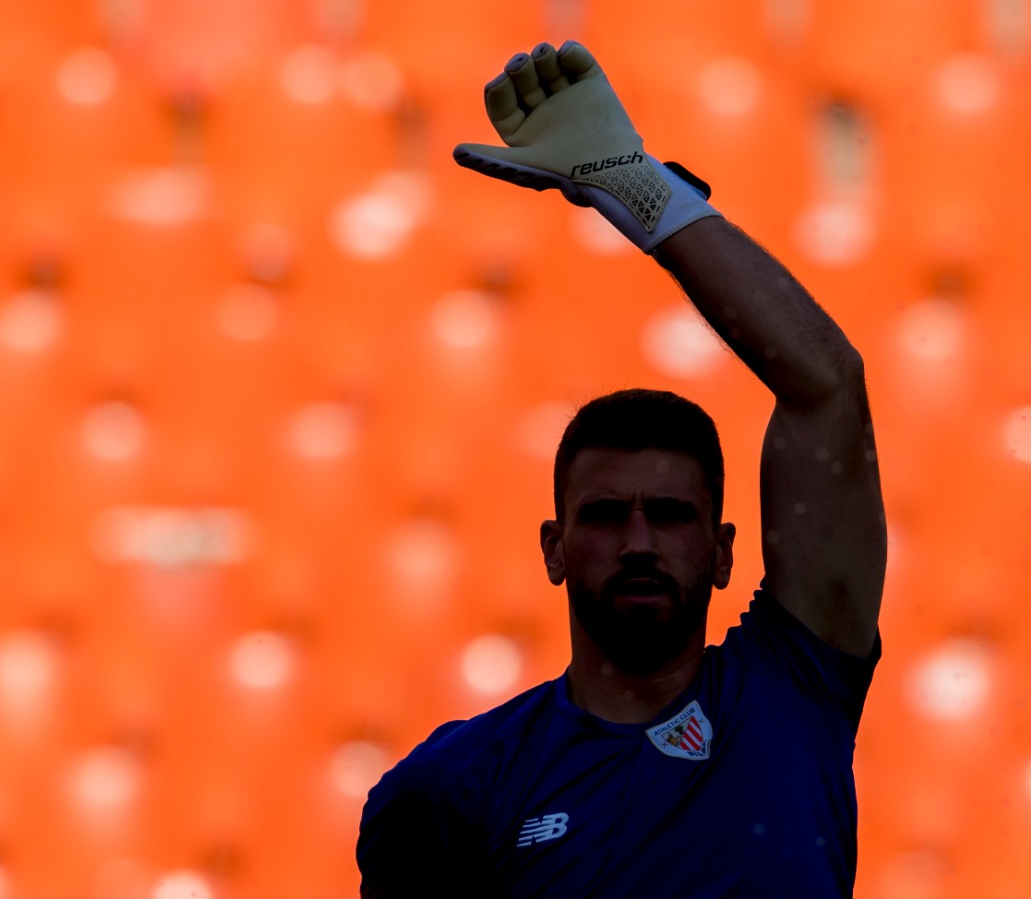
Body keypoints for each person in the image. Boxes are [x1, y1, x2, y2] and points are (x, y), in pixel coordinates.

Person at [357, 39, 887, 898]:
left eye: (671, 515)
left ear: (723, 550)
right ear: (553, 546)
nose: (640, 541)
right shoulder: (453, 787)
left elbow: (828, 384)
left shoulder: (794, 690)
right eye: (606, 515)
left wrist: (640, 189)